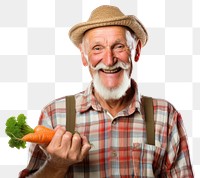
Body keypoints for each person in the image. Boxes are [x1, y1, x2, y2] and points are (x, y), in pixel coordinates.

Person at [19, 5, 194, 178]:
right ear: (83, 55)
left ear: (137, 50)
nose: (109, 61)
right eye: (97, 48)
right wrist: (56, 165)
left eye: (119, 46)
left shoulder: (165, 115)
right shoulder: (55, 114)